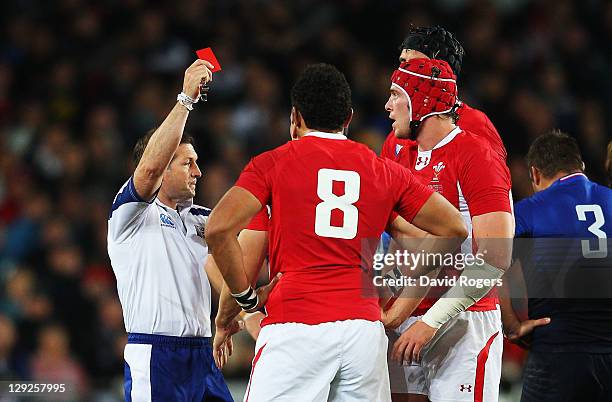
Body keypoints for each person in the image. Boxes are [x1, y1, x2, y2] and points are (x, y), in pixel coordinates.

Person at [205, 63, 468, 402]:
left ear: (295, 117)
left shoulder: (272, 164)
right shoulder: (382, 170)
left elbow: (219, 229)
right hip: (363, 332)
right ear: (348, 118)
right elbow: (454, 227)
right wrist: (402, 307)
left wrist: (242, 305)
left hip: (296, 325)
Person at [383, 58, 514, 402]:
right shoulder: (399, 157)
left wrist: (432, 322)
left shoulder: (477, 153)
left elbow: (495, 257)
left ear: (420, 103)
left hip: (463, 323)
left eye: (396, 95)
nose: (387, 106)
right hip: (407, 318)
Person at [107, 59, 233, 402]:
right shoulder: (129, 216)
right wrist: (185, 100)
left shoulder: (203, 220)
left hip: (204, 355)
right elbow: (148, 170)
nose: (198, 171)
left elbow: (238, 261)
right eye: (187, 162)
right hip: (156, 355)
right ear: (164, 166)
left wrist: (245, 307)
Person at [501, 130, 612, 402]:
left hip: (557, 352)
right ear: (581, 166)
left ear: (535, 174)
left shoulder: (528, 210)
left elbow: (487, 266)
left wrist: (512, 324)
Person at [380, 25, 507, 164]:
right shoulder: (397, 136)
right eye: (403, 62)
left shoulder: (476, 126)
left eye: (416, 64)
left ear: (442, 71)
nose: (405, 70)